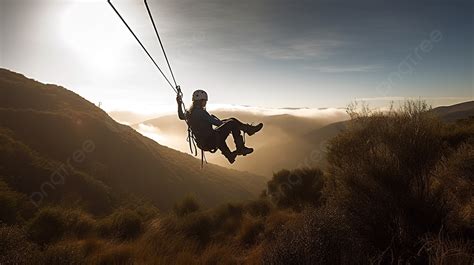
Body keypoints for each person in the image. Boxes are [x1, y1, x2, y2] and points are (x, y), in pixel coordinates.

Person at [177, 89, 263, 164]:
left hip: (204, 143)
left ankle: (230, 155)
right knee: (232, 122)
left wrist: (179, 103)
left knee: (224, 127)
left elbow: (181, 116)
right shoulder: (201, 113)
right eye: (204, 101)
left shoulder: (190, 113)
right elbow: (217, 123)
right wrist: (227, 125)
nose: (205, 102)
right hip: (210, 141)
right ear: (200, 101)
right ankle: (241, 146)